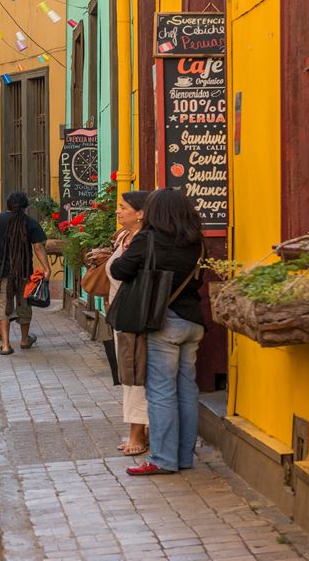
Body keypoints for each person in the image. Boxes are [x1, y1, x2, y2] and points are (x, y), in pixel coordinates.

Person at [109, 189, 206, 476]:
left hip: (162, 322)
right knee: (187, 390)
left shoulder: (148, 239)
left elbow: (119, 271)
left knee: (162, 392)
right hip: (193, 321)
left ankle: (164, 459)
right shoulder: (196, 241)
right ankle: (184, 456)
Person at [0, 191, 51, 355]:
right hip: (23, 273)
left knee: (2, 307)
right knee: (24, 305)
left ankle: (6, 345)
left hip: (0, 274)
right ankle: (24, 340)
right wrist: (46, 268)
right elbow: (38, 247)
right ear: (25, 206)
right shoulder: (30, 222)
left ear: (7, 205)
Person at [106, 191, 150, 457]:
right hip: (120, 314)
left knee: (135, 375)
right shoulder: (124, 237)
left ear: (141, 213)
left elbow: (124, 272)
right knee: (128, 375)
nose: (118, 212)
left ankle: (137, 433)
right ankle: (140, 430)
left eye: (123, 207)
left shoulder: (142, 241)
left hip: (133, 315)